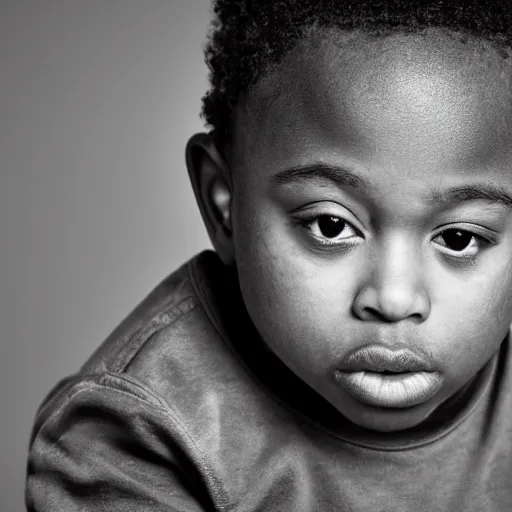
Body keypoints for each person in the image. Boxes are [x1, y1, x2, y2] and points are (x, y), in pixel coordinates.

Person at [25, 1, 512, 510]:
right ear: (224, 203)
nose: (393, 298)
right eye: (330, 225)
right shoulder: (135, 436)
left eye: (459, 239)